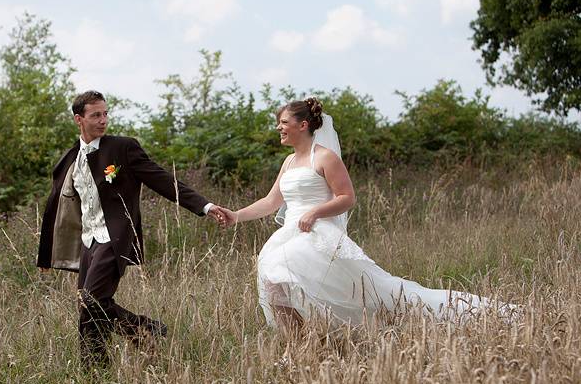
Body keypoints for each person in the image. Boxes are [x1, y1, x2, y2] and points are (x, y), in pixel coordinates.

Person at [217, 98, 516, 333]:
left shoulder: (324, 157)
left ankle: (451, 313)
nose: (279, 128)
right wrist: (236, 215)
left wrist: (316, 211)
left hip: (315, 234)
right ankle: (298, 347)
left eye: (283, 123)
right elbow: (271, 202)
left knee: (363, 293)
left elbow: (347, 198)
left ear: (303, 125)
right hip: (289, 235)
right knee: (274, 282)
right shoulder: (288, 162)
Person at [37, 90, 226, 363]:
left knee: (91, 299)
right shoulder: (70, 159)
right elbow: (54, 207)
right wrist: (46, 254)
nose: (103, 120)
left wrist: (205, 206)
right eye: (96, 115)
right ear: (79, 119)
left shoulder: (122, 148)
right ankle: (97, 372)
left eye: (105, 114)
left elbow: (161, 179)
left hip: (114, 238)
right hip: (88, 241)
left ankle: (146, 327)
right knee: (88, 305)